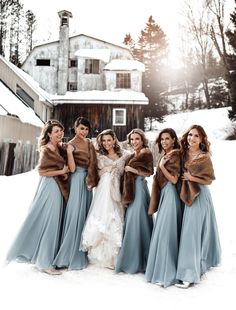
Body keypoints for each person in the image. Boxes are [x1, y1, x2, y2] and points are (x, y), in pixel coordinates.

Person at [6, 120, 69, 275]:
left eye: (61, 131)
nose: (60, 133)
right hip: (50, 187)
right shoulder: (47, 149)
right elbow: (42, 172)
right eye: (56, 131)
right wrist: (61, 172)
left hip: (56, 187)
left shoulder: (58, 147)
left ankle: (44, 257)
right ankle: (45, 263)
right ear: (49, 134)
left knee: (50, 222)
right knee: (50, 222)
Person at [175, 125, 221, 288]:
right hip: (182, 195)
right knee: (186, 231)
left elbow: (208, 181)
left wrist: (191, 177)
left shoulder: (204, 157)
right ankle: (192, 264)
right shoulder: (181, 154)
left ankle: (189, 274)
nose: (192, 138)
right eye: (190, 135)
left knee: (191, 233)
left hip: (199, 196)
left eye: (196, 136)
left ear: (201, 140)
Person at [53, 117, 99, 270]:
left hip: (87, 181)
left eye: (86, 129)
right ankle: (67, 255)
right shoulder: (70, 144)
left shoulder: (89, 143)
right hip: (77, 180)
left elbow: (94, 162)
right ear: (75, 127)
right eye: (81, 128)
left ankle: (81, 251)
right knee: (75, 216)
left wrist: (92, 179)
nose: (84, 132)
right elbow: (72, 169)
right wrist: (70, 153)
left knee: (84, 215)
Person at [81, 129, 129, 269]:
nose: (106, 143)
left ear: (114, 140)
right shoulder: (99, 156)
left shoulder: (124, 155)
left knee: (116, 216)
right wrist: (107, 169)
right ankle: (101, 255)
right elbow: (96, 174)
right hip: (104, 190)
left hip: (117, 189)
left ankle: (116, 256)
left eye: (109, 140)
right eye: (104, 140)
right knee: (104, 217)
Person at [145, 128, 182, 287]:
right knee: (164, 231)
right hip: (166, 195)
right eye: (162, 139)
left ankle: (167, 272)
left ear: (174, 140)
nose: (164, 142)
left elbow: (174, 179)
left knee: (166, 232)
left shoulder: (175, 154)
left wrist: (161, 166)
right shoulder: (168, 154)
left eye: (168, 139)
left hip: (171, 194)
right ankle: (161, 268)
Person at [115, 128, 154, 274]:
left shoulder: (146, 153)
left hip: (139, 188)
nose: (134, 142)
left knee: (137, 220)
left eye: (137, 139)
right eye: (132, 139)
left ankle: (140, 259)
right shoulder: (132, 154)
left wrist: (133, 170)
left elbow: (150, 172)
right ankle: (132, 256)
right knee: (132, 220)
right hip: (131, 190)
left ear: (142, 140)